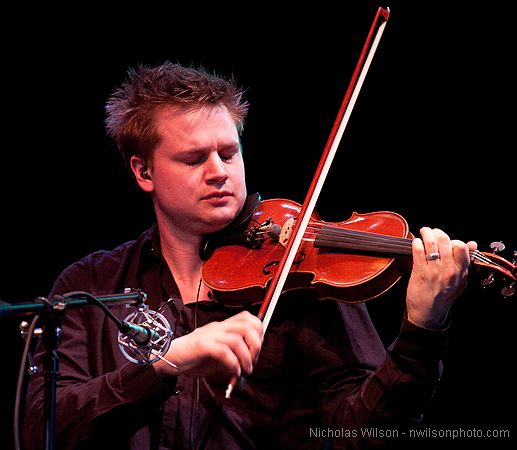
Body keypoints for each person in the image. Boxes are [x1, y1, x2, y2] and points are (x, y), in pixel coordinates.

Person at [22, 61, 477, 450]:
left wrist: (422, 329)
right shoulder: (93, 284)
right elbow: (44, 428)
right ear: (144, 172)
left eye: (229, 152)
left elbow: (361, 434)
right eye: (194, 158)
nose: (219, 172)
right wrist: (164, 366)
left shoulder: (302, 274)